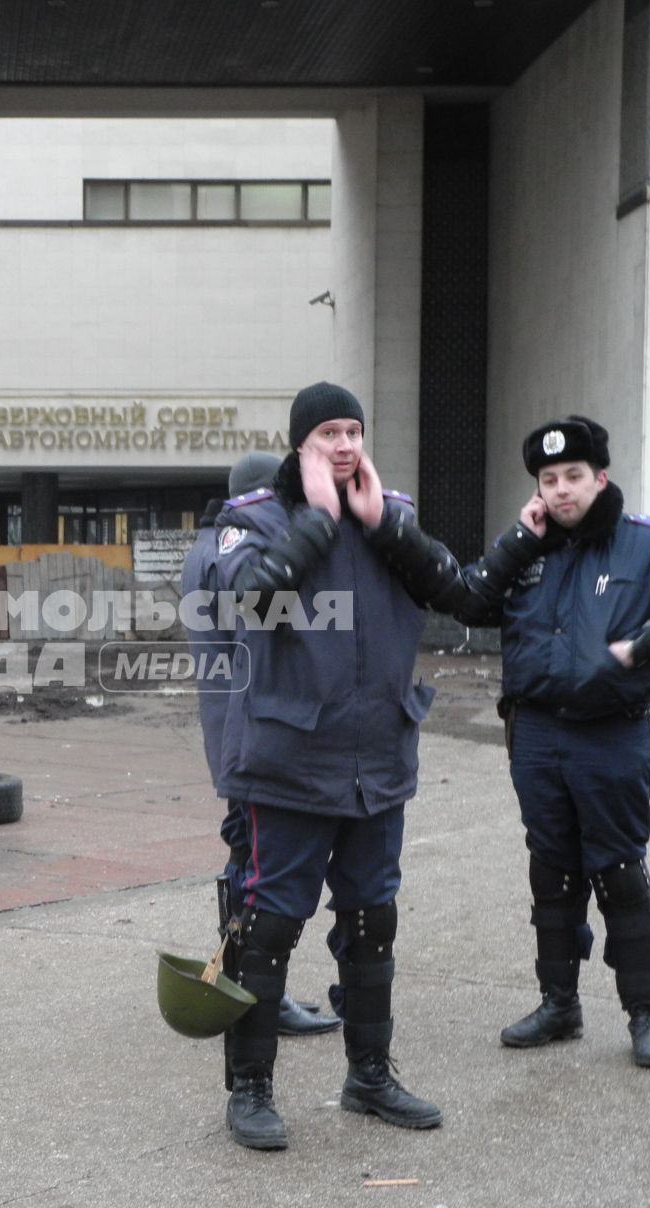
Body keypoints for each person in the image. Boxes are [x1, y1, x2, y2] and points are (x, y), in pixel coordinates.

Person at [210, 383, 529, 1151]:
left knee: (370, 918)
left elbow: (462, 597)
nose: (345, 444)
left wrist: (383, 524)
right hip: (288, 761)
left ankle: (369, 1074)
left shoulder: (393, 520)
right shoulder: (253, 522)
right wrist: (319, 519)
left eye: (353, 429)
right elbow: (244, 603)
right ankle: (249, 1089)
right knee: (268, 924)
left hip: (376, 760)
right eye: (327, 433)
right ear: (299, 447)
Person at [370, 415, 650, 1068]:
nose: (561, 490)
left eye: (572, 476)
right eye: (547, 479)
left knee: (617, 869)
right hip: (535, 733)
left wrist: (648, 642)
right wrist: (516, 540)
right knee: (551, 868)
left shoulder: (646, 543)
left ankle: (643, 1012)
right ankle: (557, 1003)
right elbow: (469, 602)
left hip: (609, 736)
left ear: (600, 476)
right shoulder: (528, 547)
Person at [181, 451, 341, 1099]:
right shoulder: (230, 554)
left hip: (230, 729)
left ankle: (240, 984)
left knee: (244, 856)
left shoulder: (204, 549)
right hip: (248, 732)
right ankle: (251, 995)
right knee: (252, 865)